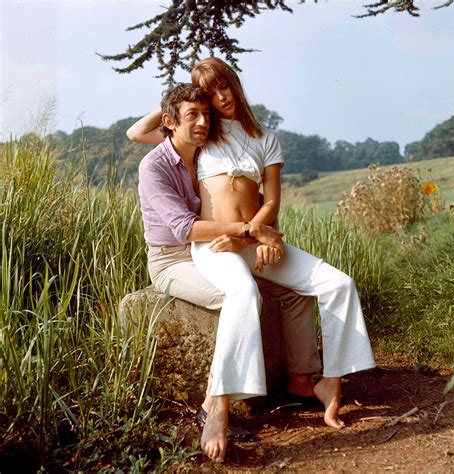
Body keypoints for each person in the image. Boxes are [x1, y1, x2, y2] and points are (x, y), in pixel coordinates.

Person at [130, 60, 377, 461]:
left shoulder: (254, 136)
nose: (218, 101)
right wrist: (180, 97)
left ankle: (328, 381)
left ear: (237, 86)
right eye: (207, 97)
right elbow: (138, 133)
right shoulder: (200, 137)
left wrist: (263, 233)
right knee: (244, 292)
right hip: (214, 244)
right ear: (178, 118)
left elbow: (272, 201)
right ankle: (218, 404)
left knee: (338, 284)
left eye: (223, 89)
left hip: (249, 235)